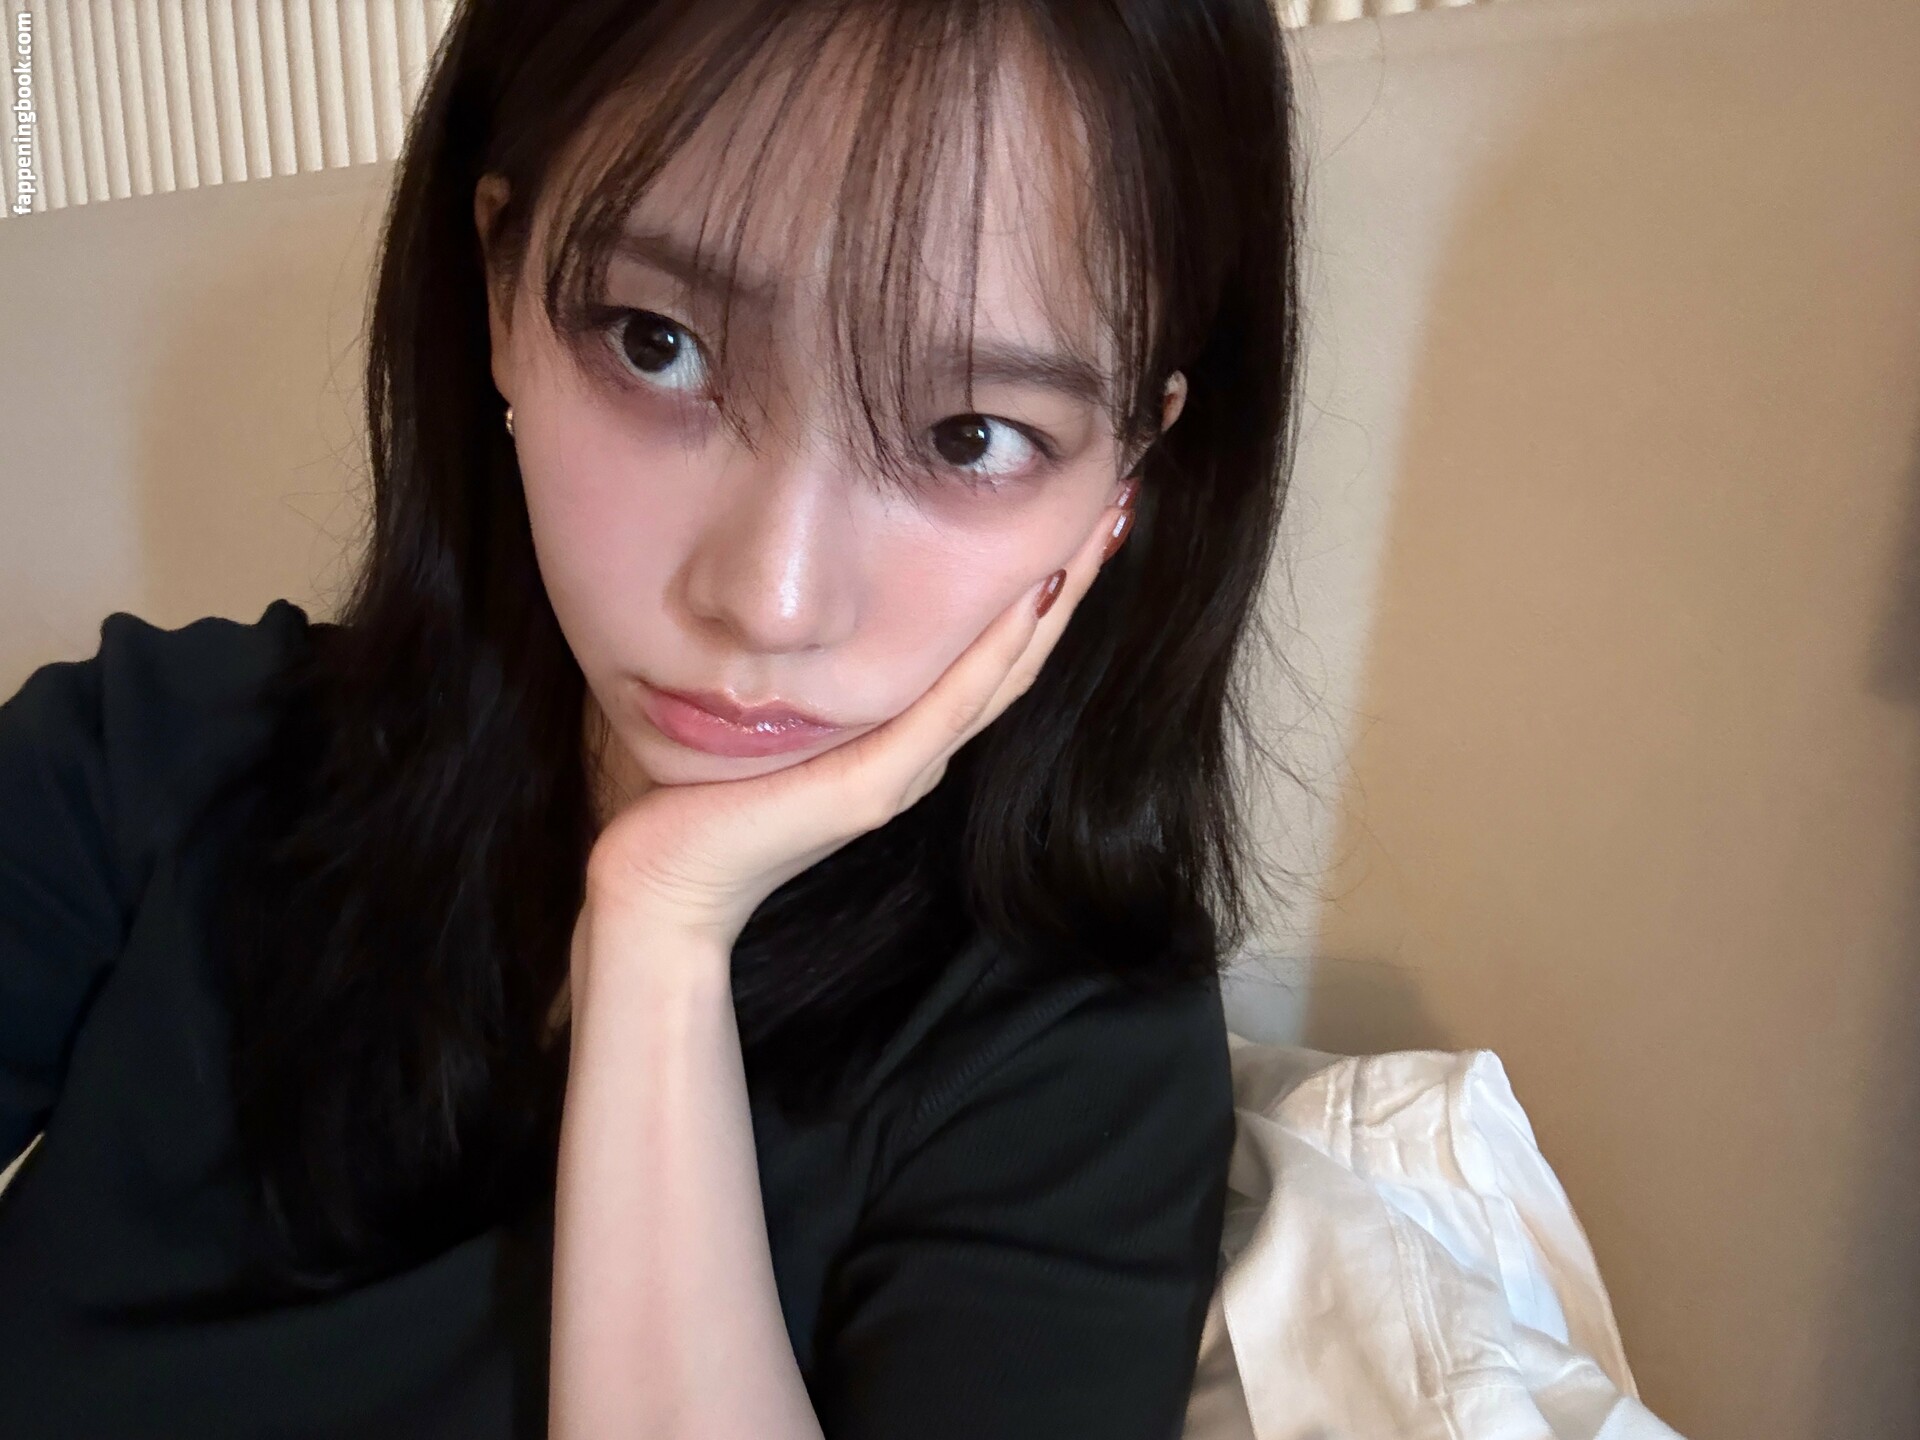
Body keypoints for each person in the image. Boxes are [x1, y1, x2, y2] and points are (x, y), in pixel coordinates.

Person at [0, 0, 1302, 1435]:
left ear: (1130, 472)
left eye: (968, 436)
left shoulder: (1077, 1061)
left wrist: (661, 930)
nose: (770, 599)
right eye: (658, 343)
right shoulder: (156, 759)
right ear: (501, 285)